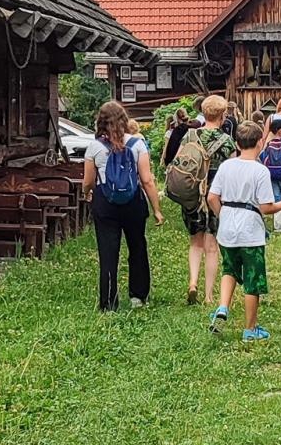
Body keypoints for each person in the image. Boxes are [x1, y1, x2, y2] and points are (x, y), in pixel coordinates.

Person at [207, 121, 281, 341]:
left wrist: (222, 214)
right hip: (250, 231)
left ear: (237, 143)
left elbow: (212, 197)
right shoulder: (260, 171)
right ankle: (250, 329)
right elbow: (266, 207)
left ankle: (222, 307)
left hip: (227, 229)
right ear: (260, 143)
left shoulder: (226, 166)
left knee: (229, 269)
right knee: (252, 279)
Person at [82, 100, 163, 311]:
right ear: (124, 120)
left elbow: (88, 181)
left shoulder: (95, 147)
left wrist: (87, 192)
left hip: (105, 203)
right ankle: (138, 296)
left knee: (108, 252)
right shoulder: (137, 144)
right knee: (137, 246)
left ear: (100, 121)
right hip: (133, 202)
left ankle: (109, 302)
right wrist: (156, 209)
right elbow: (147, 180)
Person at [178, 95, 237, 306]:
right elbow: (231, 172)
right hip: (215, 197)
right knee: (211, 246)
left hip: (192, 195)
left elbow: (180, 162)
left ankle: (193, 282)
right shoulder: (227, 141)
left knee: (195, 242)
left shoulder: (190, 136)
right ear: (222, 115)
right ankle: (209, 295)